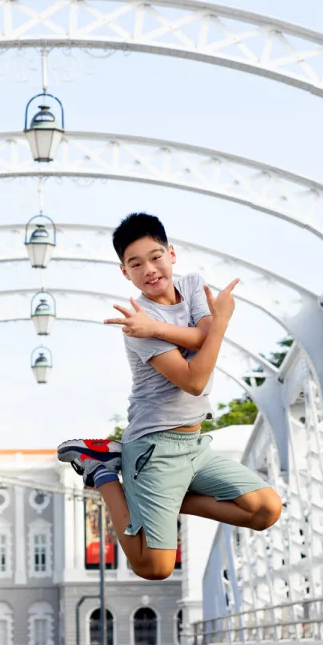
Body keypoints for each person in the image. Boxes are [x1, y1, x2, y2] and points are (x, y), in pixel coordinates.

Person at [57, 213, 282, 582]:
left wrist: (173, 328)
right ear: (124, 273)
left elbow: (203, 337)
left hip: (193, 446)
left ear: (172, 254)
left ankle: (157, 491)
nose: (150, 268)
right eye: (136, 264)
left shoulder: (193, 286)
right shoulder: (136, 325)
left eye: (156, 256)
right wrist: (220, 323)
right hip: (155, 448)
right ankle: (102, 471)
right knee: (154, 567)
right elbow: (194, 381)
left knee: (265, 510)